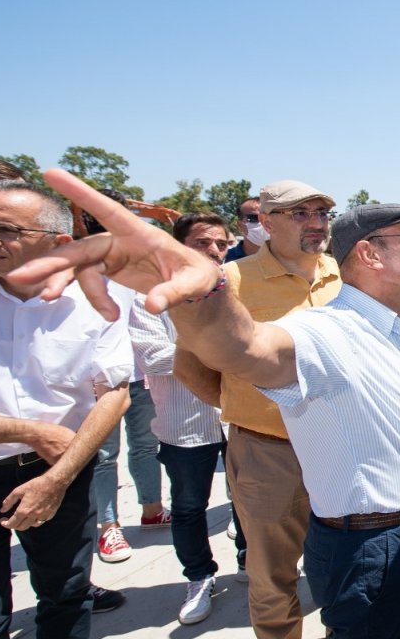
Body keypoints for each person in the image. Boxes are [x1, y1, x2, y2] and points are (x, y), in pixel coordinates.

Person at [11, 174, 400, 638]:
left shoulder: (383, 310)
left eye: (322, 213)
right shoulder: (306, 317)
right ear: (370, 254)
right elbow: (243, 348)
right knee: (273, 578)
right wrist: (201, 296)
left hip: (393, 514)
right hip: (294, 473)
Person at [173, 178, 341, 639]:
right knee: (272, 578)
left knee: (344, 564)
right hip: (269, 455)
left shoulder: (345, 275)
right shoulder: (232, 281)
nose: (316, 224)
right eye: (301, 214)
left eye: (323, 213)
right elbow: (189, 366)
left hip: (341, 448)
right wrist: (243, 407)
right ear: (265, 222)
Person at [0, 179, 133, 637]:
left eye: (5, 229)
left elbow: (114, 392)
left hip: (61, 472)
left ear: (59, 242)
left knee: (66, 595)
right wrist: (34, 431)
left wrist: (58, 477)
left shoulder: (96, 301)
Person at [128, 212, 242, 625]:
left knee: (246, 499)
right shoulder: (150, 297)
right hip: (184, 426)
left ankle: (247, 560)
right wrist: (221, 346)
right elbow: (152, 357)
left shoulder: (237, 289)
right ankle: (199, 577)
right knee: (190, 507)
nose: (214, 251)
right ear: (179, 247)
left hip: (237, 417)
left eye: (222, 244)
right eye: (202, 243)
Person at [88, 187, 169, 565]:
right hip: (96, 382)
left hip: (138, 375)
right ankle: (109, 528)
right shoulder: (71, 267)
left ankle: (152, 509)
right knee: (104, 456)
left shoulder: (137, 264)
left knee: (144, 446)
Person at [224, 196, 264, 262]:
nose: (263, 223)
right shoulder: (224, 259)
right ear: (240, 225)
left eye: (268, 218)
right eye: (254, 218)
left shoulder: (284, 259)